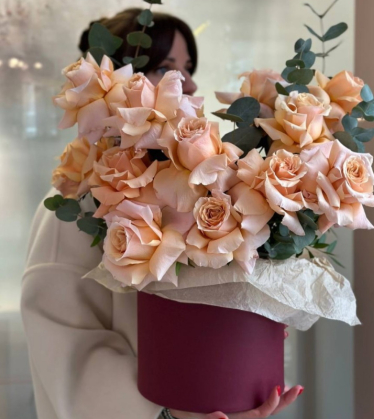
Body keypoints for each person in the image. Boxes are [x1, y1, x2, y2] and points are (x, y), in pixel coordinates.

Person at [21, 8, 303, 419]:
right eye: (166, 68)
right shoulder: (76, 205)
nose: (188, 82)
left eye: (188, 68)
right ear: (123, 82)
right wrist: (168, 411)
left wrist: (239, 345)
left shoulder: (195, 189)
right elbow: (62, 344)